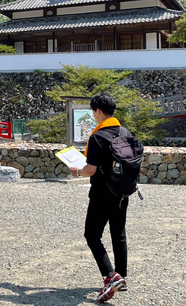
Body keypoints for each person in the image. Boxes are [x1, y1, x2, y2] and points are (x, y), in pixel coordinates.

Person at [70, 92, 129, 304]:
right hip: (122, 192)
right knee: (118, 234)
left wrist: (76, 171)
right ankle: (121, 277)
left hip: (102, 193)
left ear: (98, 111)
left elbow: (90, 170)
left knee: (92, 235)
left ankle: (110, 275)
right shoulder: (125, 132)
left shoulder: (97, 137)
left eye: (93, 111)